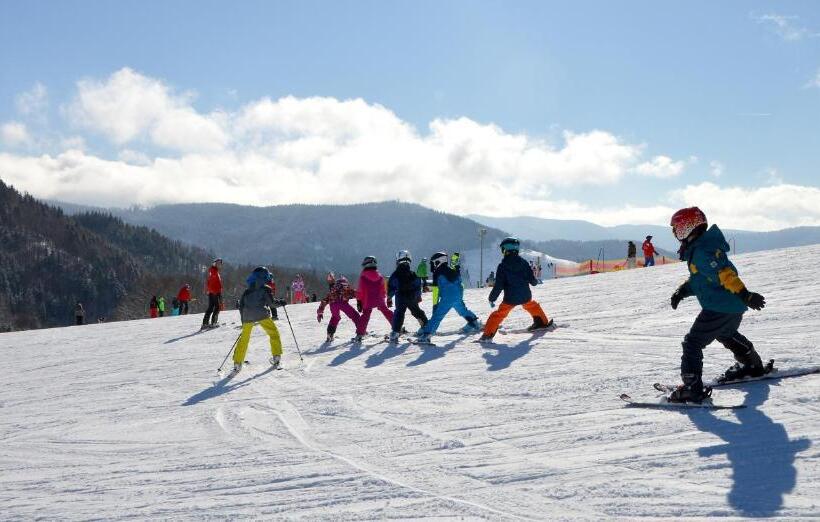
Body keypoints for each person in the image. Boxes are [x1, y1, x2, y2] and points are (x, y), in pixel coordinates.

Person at [667, 207, 767, 403]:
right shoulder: (702, 248)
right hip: (732, 305)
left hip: (719, 307)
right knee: (725, 333)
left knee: (692, 343)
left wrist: (745, 294)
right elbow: (702, 280)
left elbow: (725, 275)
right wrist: (682, 291)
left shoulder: (702, 252)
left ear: (688, 228)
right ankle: (752, 365)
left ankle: (691, 388)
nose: (676, 234)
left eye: (677, 229)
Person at [479, 237, 552, 342]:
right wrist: (535, 282)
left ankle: (487, 334)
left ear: (505, 250)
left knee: (498, 314)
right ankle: (542, 323)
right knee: (532, 306)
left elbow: (498, 286)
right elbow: (532, 280)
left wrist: (492, 298)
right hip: (525, 295)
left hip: (510, 299)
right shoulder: (524, 263)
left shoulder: (502, 266)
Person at [416, 251, 481, 343]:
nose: (433, 266)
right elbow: (460, 284)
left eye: (434, 263)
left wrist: (435, 305)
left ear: (439, 261)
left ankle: (426, 335)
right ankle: (474, 323)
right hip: (458, 296)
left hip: (447, 298)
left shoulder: (437, 273)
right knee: (463, 310)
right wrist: (459, 298)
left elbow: (436, 291)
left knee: (437, 316)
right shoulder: (452, 270)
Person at [232, 267, 285, 374]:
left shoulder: (247, 291)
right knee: (273, 333)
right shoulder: (266, 288)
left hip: (247, 316)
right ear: (264, 276)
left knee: (244, 339)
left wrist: (243, 321)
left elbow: (241, 307)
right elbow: (271, 304)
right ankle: (276, 357)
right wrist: (282, 302)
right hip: (262, 314)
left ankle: (237, 363)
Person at [386, 250, 428, 343]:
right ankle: (426, 327)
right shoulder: (413, 274)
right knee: (417, 311)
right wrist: (418, 296)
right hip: (412, 296)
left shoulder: (395, 274)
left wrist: (389, 297)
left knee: (399, 313)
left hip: (400, 297)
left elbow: (391, 286)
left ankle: (395, 332)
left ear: (398, 260)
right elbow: (417, 285)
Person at [355, 256, 394, 342]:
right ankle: (397, 327)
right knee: (386, 312)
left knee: (365, 316)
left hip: (367, 300)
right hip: (379, 299)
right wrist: (384, 298)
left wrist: (359, 301)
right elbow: (383, 289)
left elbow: (360, 290)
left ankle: (360, 334)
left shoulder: (363, 276)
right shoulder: (379, 276)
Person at [317, 276, 360, 342]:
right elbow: (356, 293)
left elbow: (324, 301)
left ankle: (330, 334)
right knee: (355, 315)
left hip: (333, 304)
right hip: (342, 303)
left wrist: (320, 312)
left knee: (335, 317)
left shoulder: (332, 291)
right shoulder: (346, 289)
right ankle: (361, 332)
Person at [202, 258, 223, 329]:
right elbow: (212, 283)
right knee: (217, 307)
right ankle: (214, 322)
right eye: (218, 263)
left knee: (211, 307)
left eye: (220, 263)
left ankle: (205, 323)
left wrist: (208, 290)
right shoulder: (214, 271)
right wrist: (215, 292)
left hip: (212, 292)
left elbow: (209, 282)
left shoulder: (213, 271)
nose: (219, 264)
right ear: (214, 264)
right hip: (215, 292)